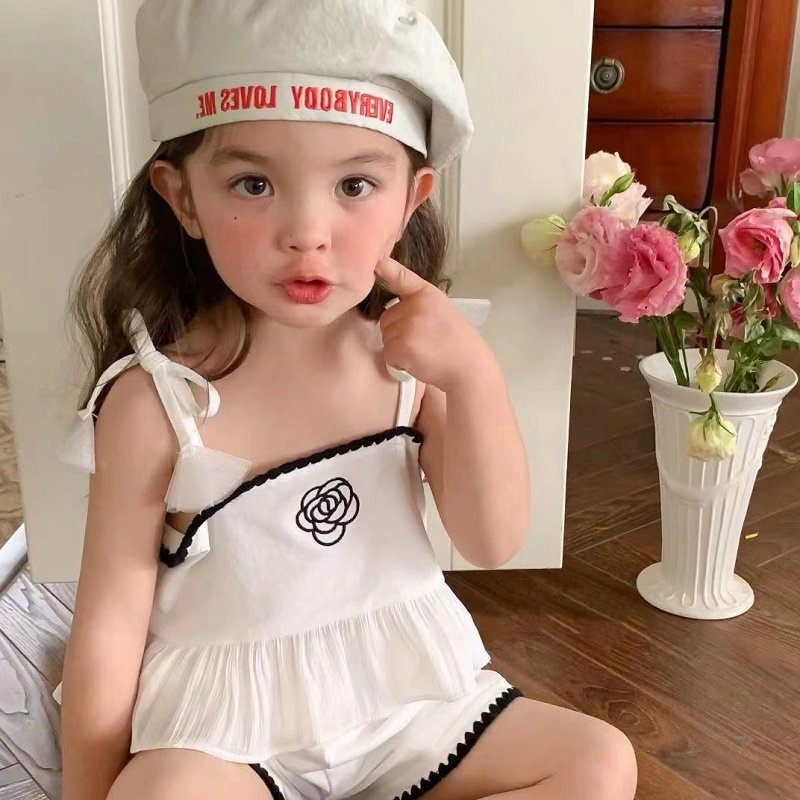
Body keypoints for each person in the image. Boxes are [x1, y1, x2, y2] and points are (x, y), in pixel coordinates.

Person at [55, 1, 638, 799]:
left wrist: (474, 380)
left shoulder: (414, 368)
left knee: (599, 761)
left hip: (405, 703)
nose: (307, 231)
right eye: (254, 184)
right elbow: (109, 628)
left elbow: (491, 539)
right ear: (182, 197)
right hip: (230, 732)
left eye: (355, 185)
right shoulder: (159, 400)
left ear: (411, 198)